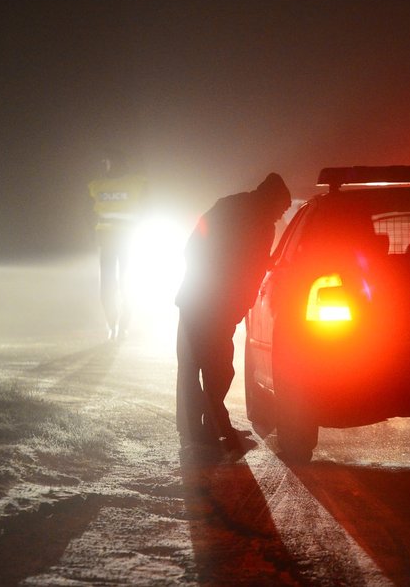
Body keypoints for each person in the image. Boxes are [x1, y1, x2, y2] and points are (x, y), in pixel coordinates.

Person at [175, 172, 292, 453]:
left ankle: (198, 428)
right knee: (219, 370)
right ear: (272, 200)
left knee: (194, 366)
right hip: (216, 306)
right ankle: (212, 429)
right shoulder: (262, 226)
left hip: (195, 299)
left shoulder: (227, 207)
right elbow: (250, 271)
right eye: (281, 210)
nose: (280, 217)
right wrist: (231, 298)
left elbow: (192, 247)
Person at [88, 154, 148, 340]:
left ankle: (115, 325)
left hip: (111, 240)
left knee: (111, 283)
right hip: (124, 239)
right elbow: (148, 208)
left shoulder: (96, 186)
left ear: (110, 162)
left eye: (105, 162)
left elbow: (86, 213)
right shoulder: (138, 183)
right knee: (124, 282)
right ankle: (119, 325)